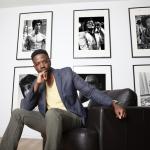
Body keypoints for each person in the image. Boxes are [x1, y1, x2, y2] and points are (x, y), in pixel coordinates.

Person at [0, 49, 126, 150]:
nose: (42, 66)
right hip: (50, 120)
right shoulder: (36, 83)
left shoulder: (66, 74)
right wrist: (37, 85)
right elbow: (25, 108)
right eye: (38, 64)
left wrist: (113, 103)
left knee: (52, 112)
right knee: (17, 113)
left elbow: (90, 91)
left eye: (44, 61)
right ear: (35, 67)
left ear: (49, 61)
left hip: (72, 118)